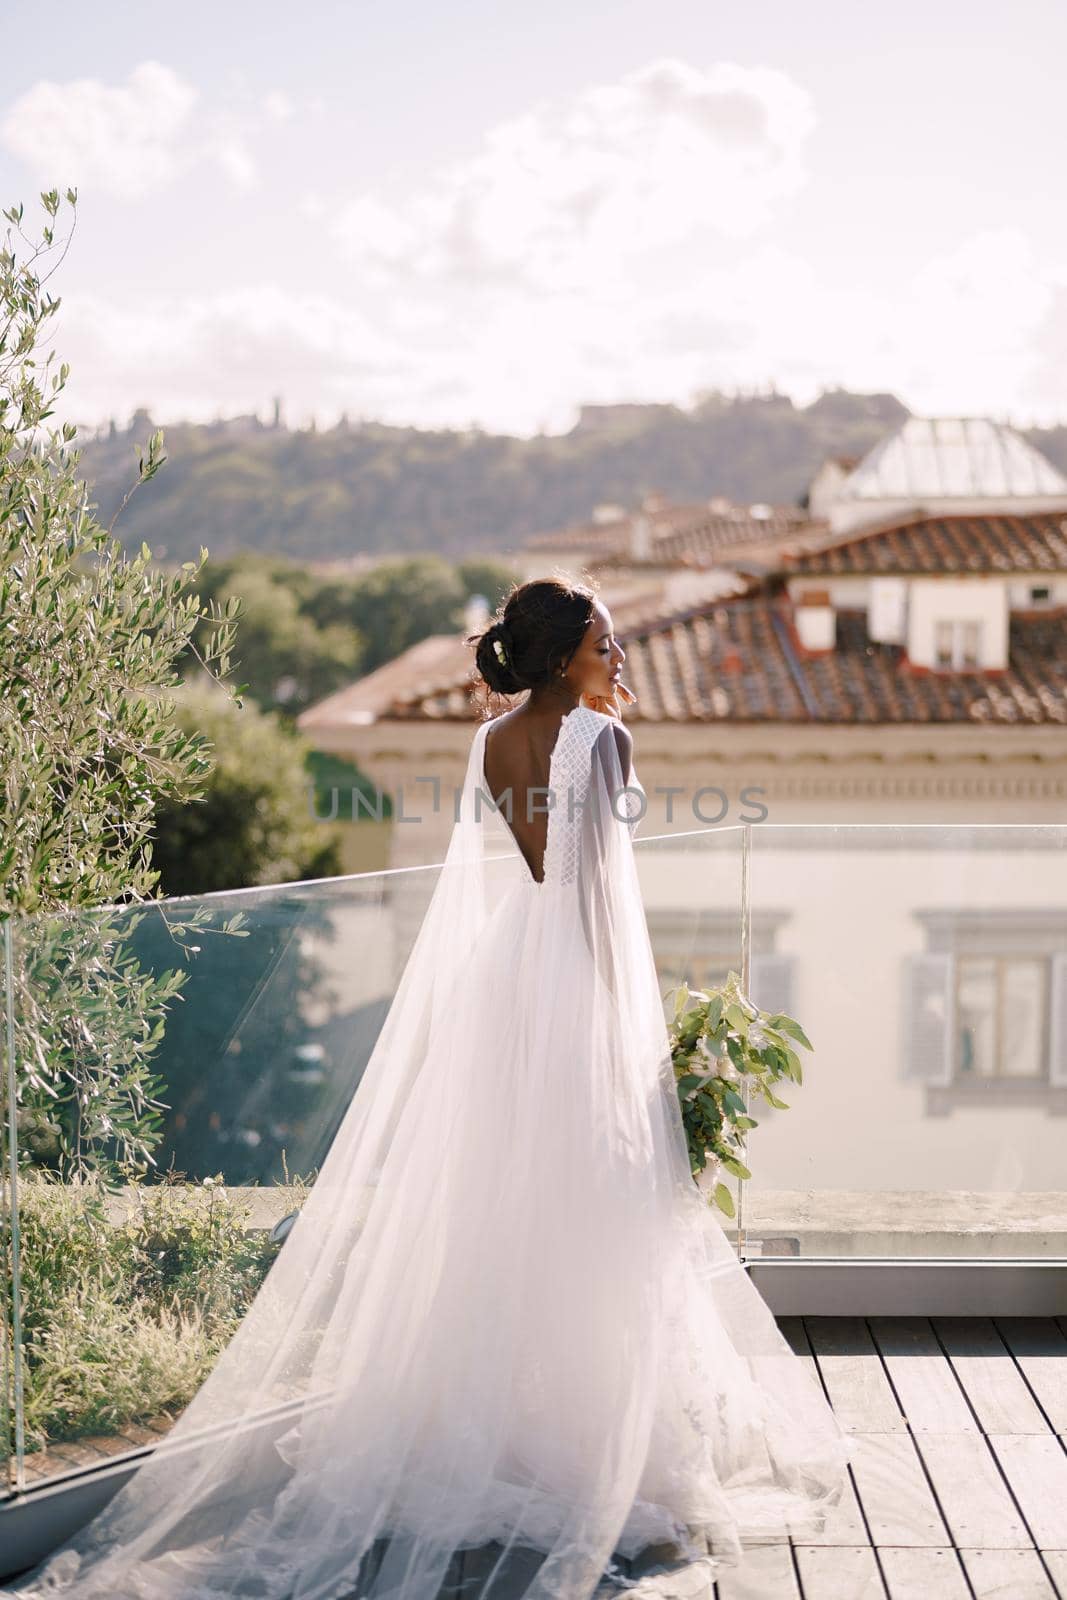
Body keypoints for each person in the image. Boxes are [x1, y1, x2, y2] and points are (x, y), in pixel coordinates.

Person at [5, 577, 849, 1599]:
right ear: (563, 658)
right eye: (605, 644)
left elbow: (534, 870)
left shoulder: (487, 745)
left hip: (505, 975)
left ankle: (495, 1425)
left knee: (496, 1201)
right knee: (591, 1208)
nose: (619, 657)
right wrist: (625, 1022)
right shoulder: (602, 741)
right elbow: (600, 897)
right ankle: (583, 1438)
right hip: (575, 978)